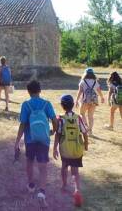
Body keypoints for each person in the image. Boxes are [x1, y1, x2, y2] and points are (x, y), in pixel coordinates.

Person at [14, 80, 57, 208]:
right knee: (43, 167)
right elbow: (55, 120)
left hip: (30, 139)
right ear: (40, 90)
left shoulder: (26, 105)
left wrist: (17, 141)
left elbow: (22, 124)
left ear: (28, 91)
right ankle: (42, 192)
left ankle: (31, 185)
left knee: (30, 161)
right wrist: (53, 131)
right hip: (44, 139)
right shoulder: (47, 104)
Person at [53, 95, 88, 207]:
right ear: (73, 105)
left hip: (65, 148)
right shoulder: (78, 118)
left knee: (64, 167)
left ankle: (64, 185)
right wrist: (86, 144)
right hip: (77, 148)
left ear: (62, 106)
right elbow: (84, 132)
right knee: (75, 171)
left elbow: (58, 134)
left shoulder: (60, 118)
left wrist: (54, 148)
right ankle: (77, 189)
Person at [75, 68, 105, 135]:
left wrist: (76, 100)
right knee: (90, 116)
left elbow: (80, 92)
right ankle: (90, 130)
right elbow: (99, 90)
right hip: (94, 101)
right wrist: (102, 97)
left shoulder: (83, 81)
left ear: (85, 73)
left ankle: (86, 127)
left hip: (85, 100)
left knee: (82, 113)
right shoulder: (95, 81)